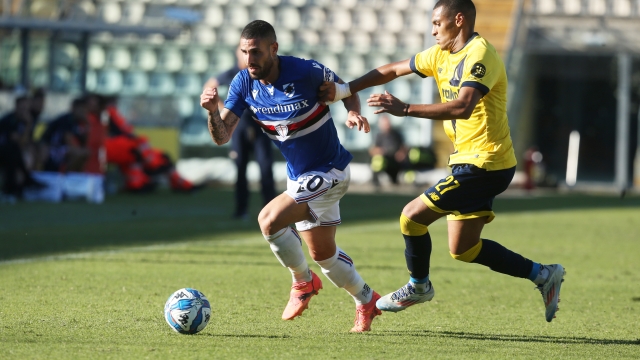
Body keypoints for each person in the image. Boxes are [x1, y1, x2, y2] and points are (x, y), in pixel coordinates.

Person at [319, 0, 565, 322]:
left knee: (411, 217)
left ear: (458, 20)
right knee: (464, 248)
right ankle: (543, 275)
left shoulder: (480, 55)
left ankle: (418, 286)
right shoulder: (439, 55)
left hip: (486, 162)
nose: (433, 30)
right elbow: (392, 69)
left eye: (438, 22)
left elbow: (463, 106)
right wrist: (345, 89)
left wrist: (405, 108)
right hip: (468, 161)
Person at [200, 20, 382, 332]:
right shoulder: (243, 83)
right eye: (244, 52)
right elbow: (222, 136)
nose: (249, 59)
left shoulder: (306, 71)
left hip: (330, 170)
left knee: (269, 220)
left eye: (255, 52)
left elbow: (346, 89)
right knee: (323, 255)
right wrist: (212, 112)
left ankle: (302, 283)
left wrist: (352, 111)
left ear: (274, 49)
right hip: (299, 177)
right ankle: (367, 300)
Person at [204, 46, 276, 219]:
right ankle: (241, 209)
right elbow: (210, 85)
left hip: (261, 127)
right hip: (239, 127)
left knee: (266, 168)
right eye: (243, 53)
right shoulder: (233, 73)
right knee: (240, 169)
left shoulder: (259, 72)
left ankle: (272, 211)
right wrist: (222, 107)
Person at [100, 96, 196, 192]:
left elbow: (123, 132)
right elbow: (123, 132)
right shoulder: (108, 112)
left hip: (120, 149)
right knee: (152, 155)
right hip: (117, 149)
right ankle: (159, 175)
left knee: (137, 156)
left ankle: (140, 182)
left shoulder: (107, 113)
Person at [0, 95, 46, 198]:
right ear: (16, 107)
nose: (24, 111)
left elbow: (28, 141)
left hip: (16, 154)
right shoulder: (8, 121)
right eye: (22, 108)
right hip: (5, 152)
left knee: (19, 153)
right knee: (13, 151)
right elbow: (19, 142)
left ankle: (19, 186)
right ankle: (24, 182)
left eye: (26, 108)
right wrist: (29, 124)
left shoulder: (28, 121)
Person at [41, 97, 90, 172]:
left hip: (59, 148)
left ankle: (70, 174)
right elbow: (68, 140)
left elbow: (84, 142)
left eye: (84, 110)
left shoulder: (78, 122)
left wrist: (87, 125)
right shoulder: (67, 119)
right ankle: (65, 174)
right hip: (51, 147)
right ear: (74, 108)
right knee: (79, 153)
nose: (83, 112)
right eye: (81, 109)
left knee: (84, 152)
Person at [369, 114, 407, 186]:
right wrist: (380, 151)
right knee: (377, 161)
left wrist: (401, 153)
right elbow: (372, 150)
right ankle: (375, 183)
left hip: (395, 160)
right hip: (384, 159)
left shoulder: (396, 134)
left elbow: (404, 147)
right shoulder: (378, 135)